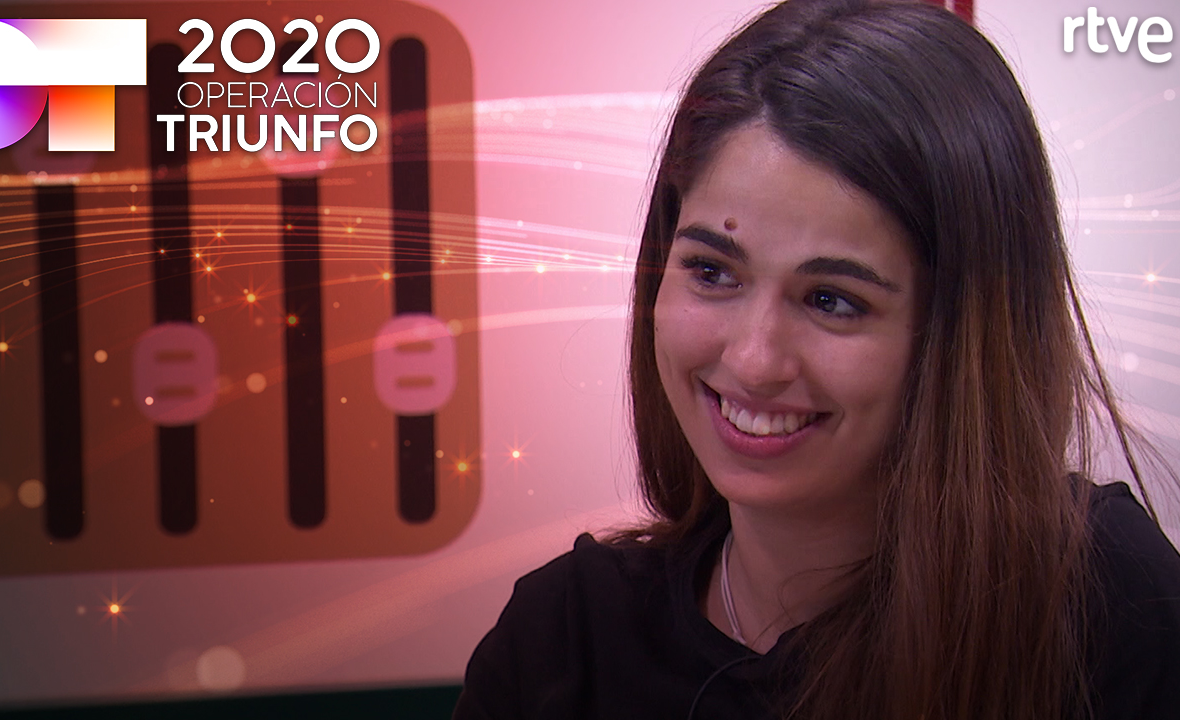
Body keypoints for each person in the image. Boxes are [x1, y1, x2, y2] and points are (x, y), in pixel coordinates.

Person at [452, 0, 1180, 718]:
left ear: (961, 332)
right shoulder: (560, 644)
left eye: (832, 300)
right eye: (712, 272)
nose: (754, 360)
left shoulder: (1113, 609)